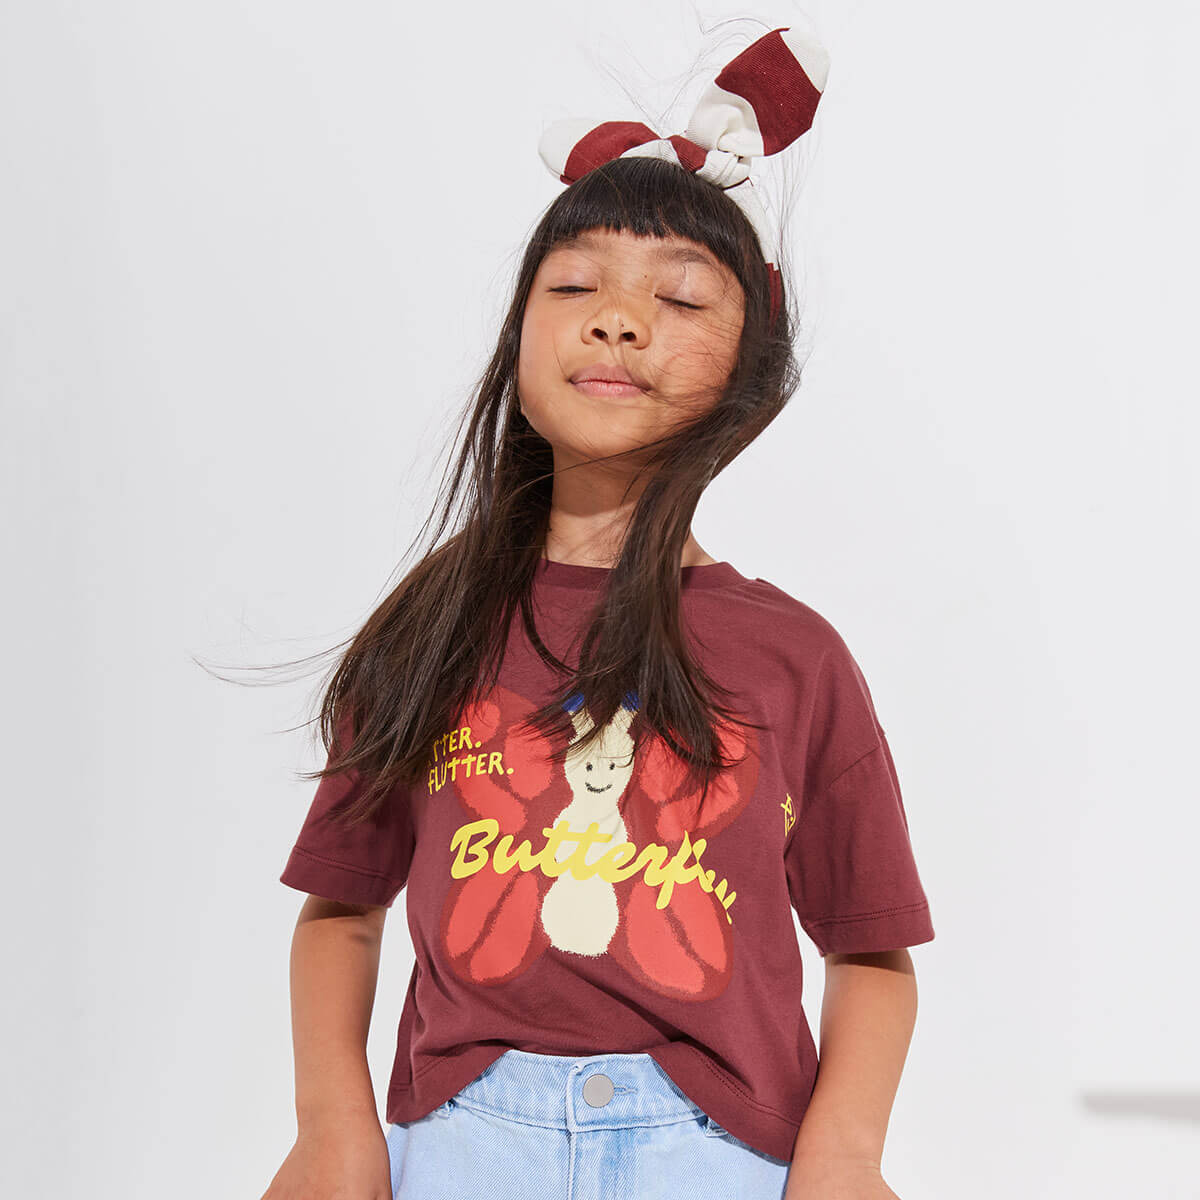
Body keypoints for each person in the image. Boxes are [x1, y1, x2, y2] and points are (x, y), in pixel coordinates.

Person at [262, 25, 935, 1200]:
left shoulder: (796, 658)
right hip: (461, 1149)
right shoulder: (432, 624)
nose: (617, 320)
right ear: (519, 334)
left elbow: (869, 947)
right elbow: (341, 909)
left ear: (749, 365)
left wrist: (843, 1159)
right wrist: (332, 1132)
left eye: (680, 297)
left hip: (719, 1158)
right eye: (574, 286)